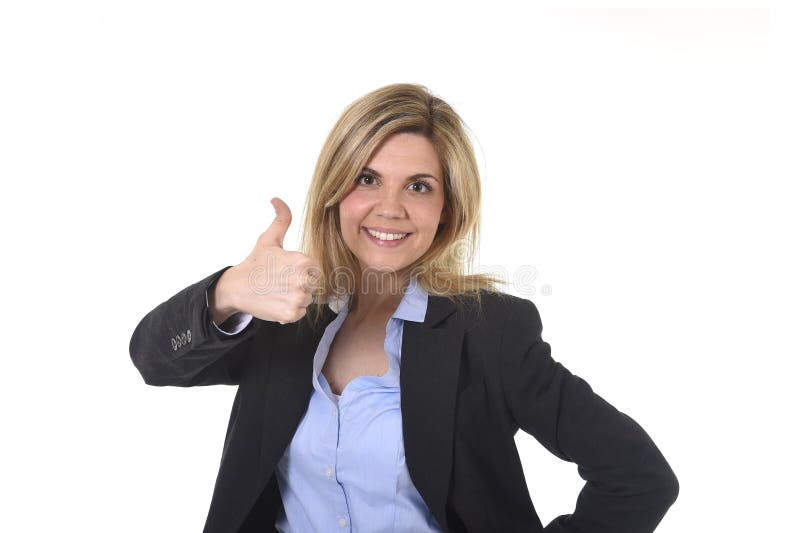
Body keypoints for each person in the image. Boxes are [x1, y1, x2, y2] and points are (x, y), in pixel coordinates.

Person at [129, 83, 679, 533]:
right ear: (335, 190)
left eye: (418, 186)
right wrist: (228, 291)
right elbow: (153, 360)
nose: (389, 209)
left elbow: (638, 476)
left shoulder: (490, 333)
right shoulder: (284, 309)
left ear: (446, 210)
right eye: (367, 179)